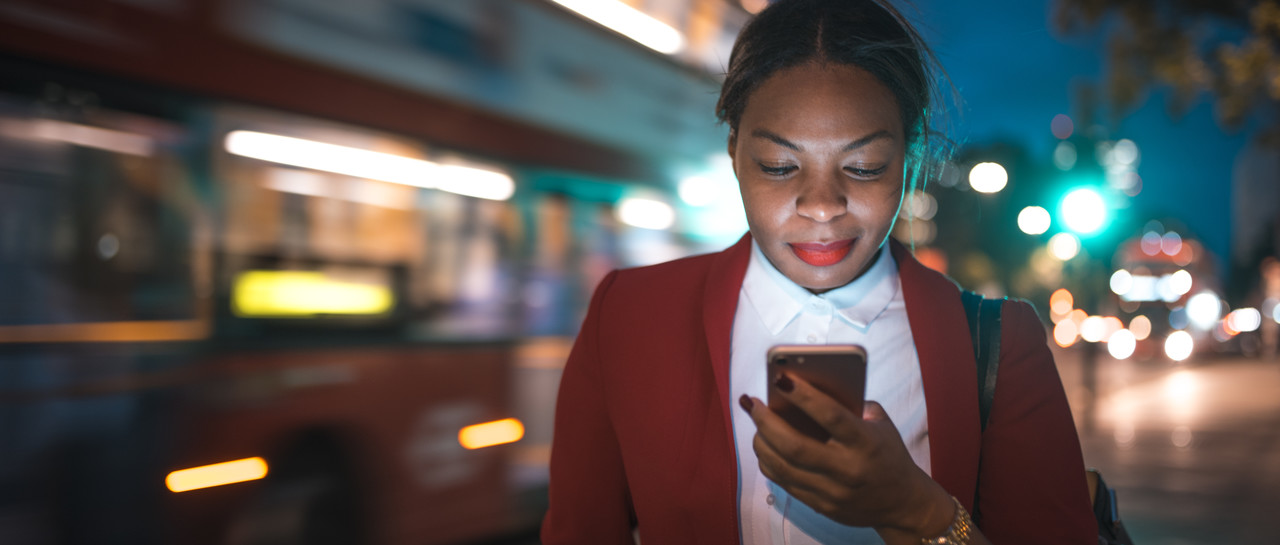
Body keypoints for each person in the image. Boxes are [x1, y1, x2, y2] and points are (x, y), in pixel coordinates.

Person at [541, 0, 1097, 543]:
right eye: (779, 167)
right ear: (735, 152)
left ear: (910, 156)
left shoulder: (1002, 346)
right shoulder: (629, 314)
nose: (823, 204)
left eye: (864, 167)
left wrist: (917, 513)